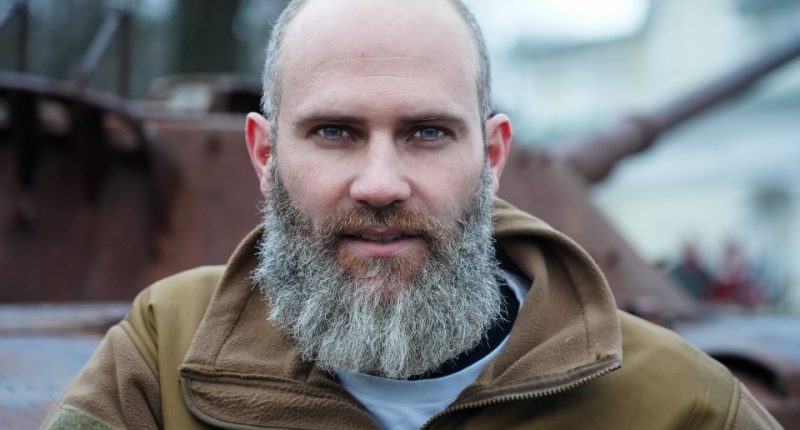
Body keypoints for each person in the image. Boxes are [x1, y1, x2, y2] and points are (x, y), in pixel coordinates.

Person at [43, 0, 781, 429]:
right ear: (264, 154)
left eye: (427, 133)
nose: (381, 183)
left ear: (492, 157)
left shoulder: (678, 405)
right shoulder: (165, 353)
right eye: (335, 132)